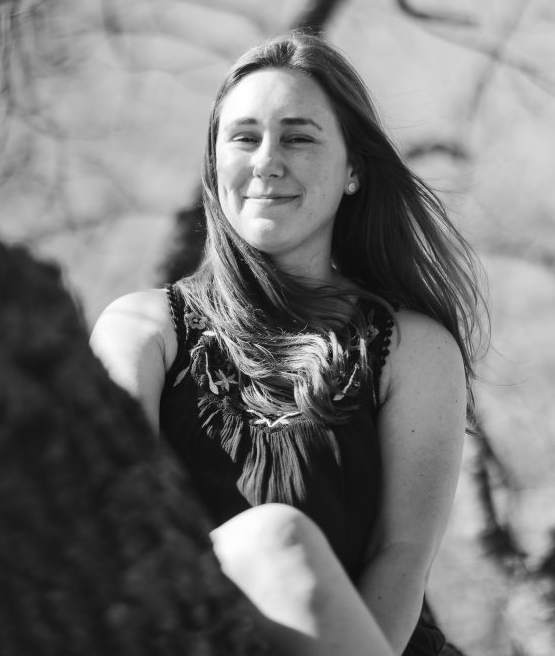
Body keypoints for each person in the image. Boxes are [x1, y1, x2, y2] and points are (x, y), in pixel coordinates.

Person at [90, 32, 485, 656]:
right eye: (244, 138)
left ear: (354, 170)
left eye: (298, 138)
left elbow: (403, 554)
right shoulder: (142, 329)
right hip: (197, 637)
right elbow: (113, 516)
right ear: (214, 165)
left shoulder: (414, 348)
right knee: (273, 539)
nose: (267, 161)